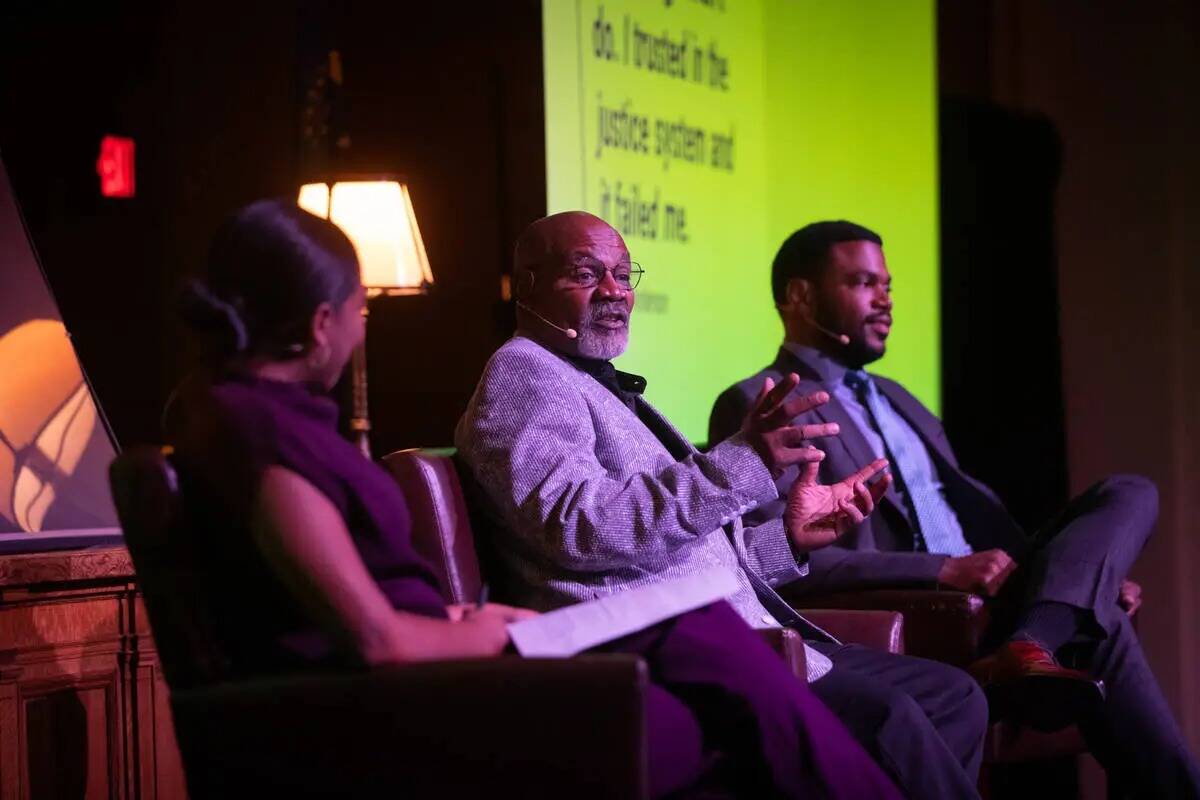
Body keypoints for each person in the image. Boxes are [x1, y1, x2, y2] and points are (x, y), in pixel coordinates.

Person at [167, 199, 902, 799]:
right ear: (323, 322)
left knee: (718, 672)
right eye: (360, 310)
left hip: (443, 660)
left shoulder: (258, 421)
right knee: (710, 647)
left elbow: (361, 597)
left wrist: (466, 614)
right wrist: (499, 632)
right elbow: (377, 638)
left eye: (622, 273)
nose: (363, 328)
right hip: (407, 699)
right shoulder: (263, 437)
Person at [457, 210, 990, 800]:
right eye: (586, 274)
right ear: (528, 285)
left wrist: (788, 539)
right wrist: (744, 462)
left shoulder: (590, 379)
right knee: (893, 719)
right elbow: (580, 529)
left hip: (744, 633)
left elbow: (679, 549)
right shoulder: (526, 372)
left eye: (621, 273)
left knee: (955, 697)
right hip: (651, 650)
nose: (613, 291)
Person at [709, 219, 1200, 797]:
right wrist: (940, 569)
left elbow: (979, 515)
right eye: (864, 282)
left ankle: (1048, 623)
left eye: (888, 283)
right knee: (1103, 623)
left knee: (1131, 491)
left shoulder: (897, 396)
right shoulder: (762, 401)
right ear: (800, 296)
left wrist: (1086, 572)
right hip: (928, 602)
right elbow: (779, 557)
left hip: (996, 581)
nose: (886, 298)